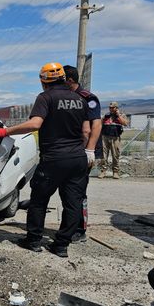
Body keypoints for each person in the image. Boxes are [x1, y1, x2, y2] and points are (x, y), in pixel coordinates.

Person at [0, 62, 94, 258]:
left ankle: (34, 240)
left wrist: (6, 131)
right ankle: (61, 245)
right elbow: (86, 131)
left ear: (43, 81)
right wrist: (86, 151)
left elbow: (36, 124)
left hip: (54, 158)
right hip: (78, 158)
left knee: (39, 201)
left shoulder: (45, 97)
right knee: (73, 203)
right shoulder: (80, 99)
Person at [64, 65, 101, 243]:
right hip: (69, 150)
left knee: (78, 192)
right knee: (68, 192)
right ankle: (69, 227)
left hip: (83, 150)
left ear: (69, 80)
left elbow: (96, 125)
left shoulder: (88, 98)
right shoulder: (66, 98)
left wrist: (90, 150)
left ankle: (80, 229)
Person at [99, 101, 128, 179]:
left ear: (116, 108)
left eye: (113, 107)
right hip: (105, 137)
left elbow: (125, 123)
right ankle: (103, 171)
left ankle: (115, 172)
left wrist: (118, 115)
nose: (111, 109)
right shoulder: (106, 115)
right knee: (103, 156)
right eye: (110, 107)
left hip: (115, 138)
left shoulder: (121, 115)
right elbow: (100, 123)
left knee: (115, 155)